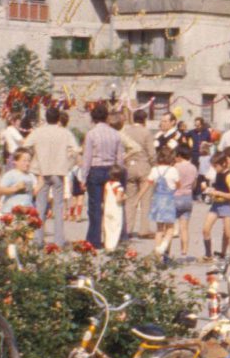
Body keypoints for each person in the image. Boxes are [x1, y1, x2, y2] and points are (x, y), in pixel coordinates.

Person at [24, 109, 79, 246]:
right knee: (59, 207)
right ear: (58, 118)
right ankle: (59, 240)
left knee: (40, 206)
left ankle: (38, 240)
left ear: (46, 118)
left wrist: (34, 156)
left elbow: (26, 145)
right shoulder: (65, 133)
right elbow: (76, 149)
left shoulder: (38, 132)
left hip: (42, 171)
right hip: (58, 171)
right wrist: (68, 160)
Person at [83, 101, 125, 250]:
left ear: (93, 118)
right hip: (111, 171)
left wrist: (83, 177)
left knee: (94, 206)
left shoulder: (91, 134)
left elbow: (87, 158)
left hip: (95, 170)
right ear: (106, 117)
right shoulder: (115, 134)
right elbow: (120, 158)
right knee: (112, 206)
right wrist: (119, 175)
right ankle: (113, 237)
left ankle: (94, 239)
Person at [121, 106, 155, 241]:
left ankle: (128, 228)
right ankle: (144, 229)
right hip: (144, 165)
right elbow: (151, 153)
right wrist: (155, 165)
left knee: (130, 199)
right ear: (144, 120)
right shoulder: (146, 132)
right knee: (145, 199)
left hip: (129, 166)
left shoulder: (126, 131)